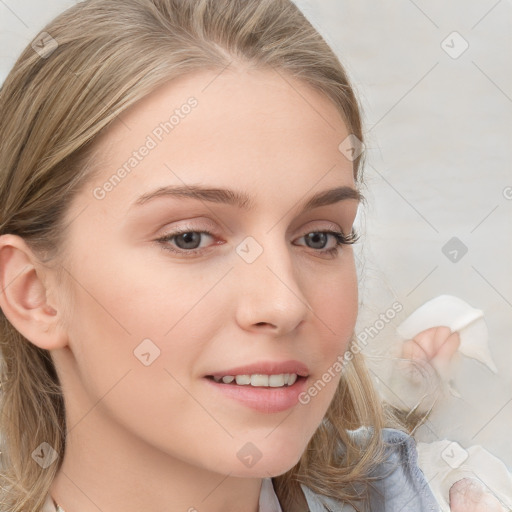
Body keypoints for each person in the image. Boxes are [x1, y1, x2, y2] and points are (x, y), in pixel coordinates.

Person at [0, 1, 497, 511]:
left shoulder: (454, 497)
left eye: (319, 237)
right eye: (189, 238)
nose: (284, 305)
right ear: (34, 292)